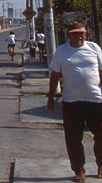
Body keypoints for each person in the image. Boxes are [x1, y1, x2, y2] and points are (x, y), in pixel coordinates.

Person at [47, 22, 102, 182]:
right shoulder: (61, 51)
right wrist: (51, 98)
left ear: (86, 34)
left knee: (100, 134)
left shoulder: (94, 48)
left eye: (81, 33)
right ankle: (79, 170)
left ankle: (101, 165)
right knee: (73, 138)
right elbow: (55, 76)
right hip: (71, 102)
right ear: (68, 35)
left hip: (96, 100)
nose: (78, 36)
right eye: (75, 33)